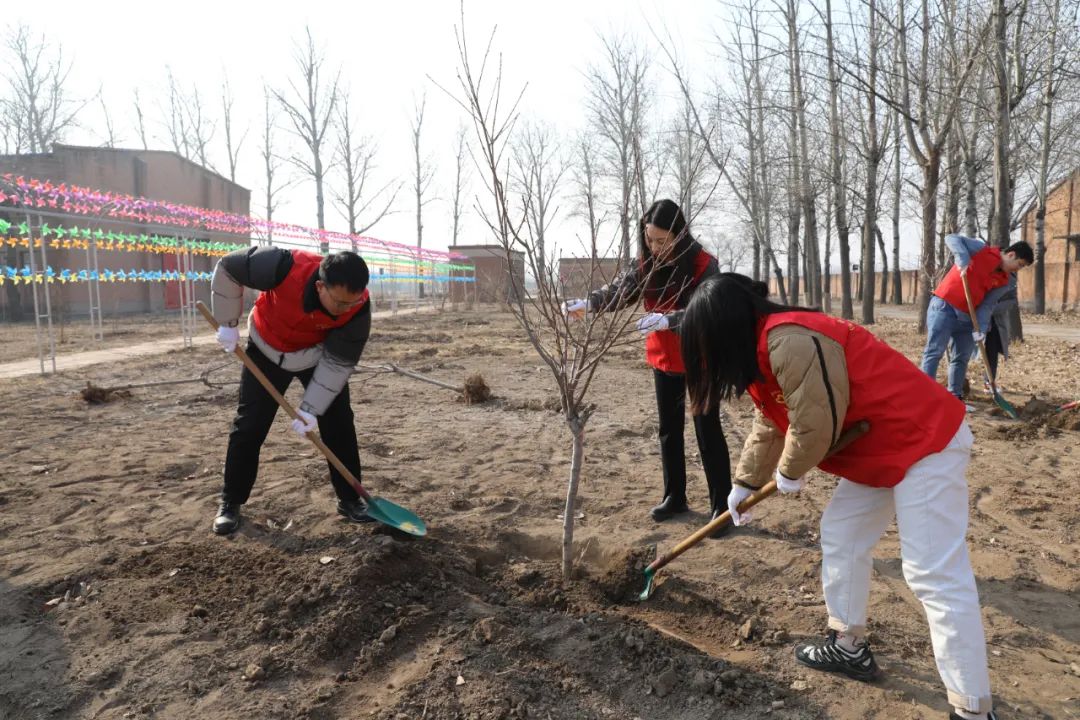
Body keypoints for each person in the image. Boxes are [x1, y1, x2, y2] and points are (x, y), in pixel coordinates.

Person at [679, 275, 998, 720]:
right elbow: (773, 418)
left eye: (704, 345)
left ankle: (972, 708)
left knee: (932, 572)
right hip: (877, 447)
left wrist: (790, 471)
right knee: (842, 534)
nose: (705, 357)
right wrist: (746, 482)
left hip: (924, 439)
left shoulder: (788, 340)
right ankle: (848, 646)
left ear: (724, 329)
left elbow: (815, 422)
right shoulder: (762, 351)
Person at [564, 199, 735, 528]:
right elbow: (621, 289)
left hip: (700, 357)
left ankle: (722, 508)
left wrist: (668, 320)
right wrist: (590, 303)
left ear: (679, 234)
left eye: (661, 240)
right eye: (649, 239)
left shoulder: (703, 264)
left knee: (707, 430)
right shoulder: (646, 263)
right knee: (669, 430)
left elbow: (706, 311)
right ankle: (675, 497)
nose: (654, 247)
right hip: (664, 358)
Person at [209, 246, 373, 535]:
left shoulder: (358, 308)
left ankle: (349, 499)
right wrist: (227, 323)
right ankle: (230, 502)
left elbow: (338, 363)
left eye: (351, 303)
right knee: (250, 425)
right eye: (338, 302)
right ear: (320, 286)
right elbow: (229, 268)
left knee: (339, 423)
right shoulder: (282, 266)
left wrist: (312, 408)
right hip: (266, 346)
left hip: (316, 354)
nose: (344, 310)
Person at [921, 234, 1032, 406]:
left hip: (967, 318)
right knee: (934, 352)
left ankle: (954, 399)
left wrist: (980, 328)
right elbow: (952, 238)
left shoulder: (1005, 281)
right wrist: (963, 259)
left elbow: (987, 305)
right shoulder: (981, 250)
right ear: (1011, 255)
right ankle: (924, 396)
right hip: (945, 307)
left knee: (961, 358)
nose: (1018, 269)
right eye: (1020, 265)